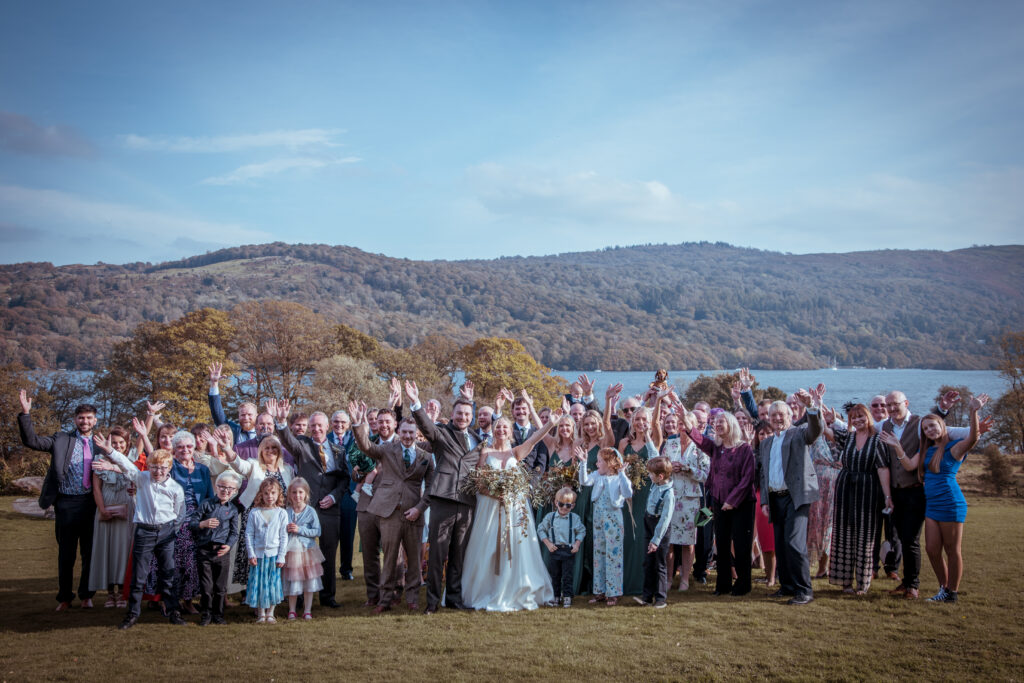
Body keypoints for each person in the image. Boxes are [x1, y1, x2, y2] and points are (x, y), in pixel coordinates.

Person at [890, 394, 988, 603]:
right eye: (925, 429)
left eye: (933, 426)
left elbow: (973, 437)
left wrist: (973, 411)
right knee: (932, 549)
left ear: (942, 426)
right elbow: (908, 465)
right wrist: (896, 446)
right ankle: (943, 588)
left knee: (953, 550)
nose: (929, 430)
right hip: (931, 504)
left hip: (950, 502)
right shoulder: (926, 449)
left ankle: (951, 592)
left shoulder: (955, 448)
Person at [461, 414, 561, 611]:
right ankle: (486, 588)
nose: (501, 430)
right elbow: (479, 482)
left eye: (504, 428)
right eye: (497, 427)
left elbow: (534, 439)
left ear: (510, 432)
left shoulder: (516, 453)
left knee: (516, 547)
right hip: (490, 506)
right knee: (488, 547)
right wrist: (494, 493)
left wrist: (551, 423)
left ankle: (515, 587)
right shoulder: (485, 452)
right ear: (493, 430)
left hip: (515, 508)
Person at [17, 390, 100, 611]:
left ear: (95, 420)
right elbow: (31, 441)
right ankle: (64, 598)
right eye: (81, 417)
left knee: (90, 553)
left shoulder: (101, 444)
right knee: (66, 554)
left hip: (91, 504)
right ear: (75, 419)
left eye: (89, 417)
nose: (85, 421)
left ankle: (86, 596)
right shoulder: (61, 439)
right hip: (66, 504)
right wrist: (26, 414)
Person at [90, 444, 186, 628]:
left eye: (163, 467)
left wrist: (172, 529)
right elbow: (125, 464)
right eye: (154, 467)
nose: (158, 471)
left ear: (169, 467)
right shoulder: (141, 479)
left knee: (168, 574)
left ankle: (173, 611)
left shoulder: (176, 488)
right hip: (144, 532)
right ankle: (133, 614)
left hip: (166, 532)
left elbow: (179, 512)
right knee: (139, 575)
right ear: (148, 467)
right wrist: (109, 451)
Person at [406, 381, 481, 614]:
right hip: (443, 499)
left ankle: (454, 599)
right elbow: (426, 427)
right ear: (452, 414)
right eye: (459, 413)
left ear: (472, 416)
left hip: (467, 501)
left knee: (459, 554)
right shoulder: (441, 434)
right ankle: (432, 602)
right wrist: (416, 403)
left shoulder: (477, 439)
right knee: (438, 554)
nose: (463, 417)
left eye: (467, 414)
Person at [349, 407, 434, 613]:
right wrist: (359, 425)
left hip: (414, 514)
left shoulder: (426, 456)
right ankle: (384, 599)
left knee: (414, 560)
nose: (407, 436)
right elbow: (366, 446)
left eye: (411, 433)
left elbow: (431, 487)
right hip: (389, 513)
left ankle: (413, 598)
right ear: (400, 431)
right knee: (389, 559)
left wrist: (420, 509)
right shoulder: (388, 450)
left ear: (416, 435)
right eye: (404, 432)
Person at [269, 398, 350, 609]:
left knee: (329, 554)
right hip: (303, 508)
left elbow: (343, 479)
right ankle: (296, 595)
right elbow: (287, 439)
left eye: (319, 425)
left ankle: (327, 596)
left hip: (330, 508)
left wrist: (334, 496)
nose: (315, 429)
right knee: (298, 553)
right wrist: (281, 422)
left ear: (327, 427)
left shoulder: (338, 450)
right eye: (312, 425)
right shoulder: (302, 445)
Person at [758, 388, 823, 605]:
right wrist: (765, 501)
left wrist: (813, 407)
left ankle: (804, 590)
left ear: (790, 416)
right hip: (775, 498)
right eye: (773, 415)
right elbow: (764, 474)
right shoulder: (767, 442)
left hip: (796, 496)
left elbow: (815, 431)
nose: (777, 418)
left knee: (795, 544)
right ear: (768, 418)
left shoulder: (798, 433)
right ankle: (786, 586)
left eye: (781, 414)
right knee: (781, 544)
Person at [689, 410, 757, 596]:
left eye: (721, 422)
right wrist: (687, 424)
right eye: (715, 422)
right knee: (722, 545)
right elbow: (700, 440)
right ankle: (723, 585)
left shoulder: (744, 449)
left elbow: (747, 478)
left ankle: (743, 585)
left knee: (742, 545)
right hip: (719, 502)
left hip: (741, 504)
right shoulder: (716, 449)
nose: (717, 425)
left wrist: (732, 501)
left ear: (731, 425)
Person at [827, 404, 893, 595]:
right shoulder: (847, 437)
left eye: (860, 417)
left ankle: (862, 583)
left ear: (868, 417)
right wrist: (814, 405)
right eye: (853, 418)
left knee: (865, 537)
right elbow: (824, 428)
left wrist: (887, 496)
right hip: (846, 487)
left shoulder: (877, 439)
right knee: (843, 534)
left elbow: (882, 468)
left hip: (868, 490)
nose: (857, 421)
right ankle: (844, 581)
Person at [217, 432, 294, 591]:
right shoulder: (254, 465)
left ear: (279, 451)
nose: (270, 451)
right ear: (261, 450)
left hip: (277, 519)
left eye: (274, 448)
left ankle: (272, 591)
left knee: (275, 554)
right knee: (252, 555)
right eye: (267, 448)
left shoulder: (287, 469)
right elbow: (238, 464)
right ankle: (250, 592)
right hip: (254, 516)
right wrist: (226, 448)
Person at [660, 408, 709, 592]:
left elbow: (706, 475)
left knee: (688, 541)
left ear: (693, 427)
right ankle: (668, 578)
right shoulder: (669, 445)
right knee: (670, 540)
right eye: (679, 424)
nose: (681, 428)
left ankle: (685, 579)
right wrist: (669, 468)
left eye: (685, 425)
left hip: (690, 499)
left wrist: (688, 469)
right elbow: (661, 470)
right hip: (671, 496)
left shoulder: (700, 447)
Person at [577, 446, 633, 606]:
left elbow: (628, 493)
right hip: (598, 518)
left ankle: (613, 592)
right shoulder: (597, 476)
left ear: (609, 462)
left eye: (599, 461)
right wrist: (583, 462)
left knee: (613, 554)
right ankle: (600, 590)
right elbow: (584, 481)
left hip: (613, 518)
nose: (597, 464)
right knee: (599, 553)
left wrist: (622, 474)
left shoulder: (619, 477)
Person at [88, 425, 134, 608]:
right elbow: (96, 487)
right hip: (106, 504)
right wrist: (102, 509)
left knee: (123, 549)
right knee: (106, 549)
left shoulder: (130, 459)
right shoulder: (99, 459)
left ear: (127, 443)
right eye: (114, 442)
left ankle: (123, 592)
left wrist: (150, 416)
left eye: (121, 442)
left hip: (126, 505)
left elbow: (141, 439)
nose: (118, 445)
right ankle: (109, 594)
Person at [169, 431, 214, 614]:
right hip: (175, 521)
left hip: (197, 522)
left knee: (192, 564)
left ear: (194, 448)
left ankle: (188, 601)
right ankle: (171, 602)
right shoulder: (170, 467)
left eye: (188, 446)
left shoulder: (202, 469)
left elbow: (209, 496)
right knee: (173, 563)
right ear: (174, 450)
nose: (185, 450)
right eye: (180, 447)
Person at [190, 470, 241, 625]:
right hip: (204, 550)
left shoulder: (232, 509)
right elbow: (192, 523)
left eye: (229, 489)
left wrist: (228, 546)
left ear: (235, 491)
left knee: (220, 586)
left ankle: (218, 615)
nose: (225, 491)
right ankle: (206, 614)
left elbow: (234, 532)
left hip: (221, 552)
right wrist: (203, 524)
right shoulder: (206, 504)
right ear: (216, 487)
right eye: (222, 487)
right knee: (206, 586)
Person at [245, 478, 288, 623]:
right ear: (261, 495)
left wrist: (281, 556)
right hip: (258, 555)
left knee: (273, 583)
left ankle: (271, 612)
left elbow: (283, 536)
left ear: (278, 494)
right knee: (259, 584)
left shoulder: (281, 513)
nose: (270, 496)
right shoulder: (255, 513)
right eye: (266, 493)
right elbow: (249, 534)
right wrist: (251, 553)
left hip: (274, 555)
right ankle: (261, 613)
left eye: (273, 493)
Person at [283, 477, 325, 620]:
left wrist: (299, 529)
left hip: (307, 551)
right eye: (294, 492)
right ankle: (292, 610)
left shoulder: (310, 511)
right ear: (289, 495)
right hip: (291, 552)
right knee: (293, 579)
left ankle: (307, 610)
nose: (297, 496)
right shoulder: (286, 512)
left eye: (300, 492)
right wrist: (286, 529)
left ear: (306, 494)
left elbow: (317, 531)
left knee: (309, 580)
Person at [635, 456, 675, 608]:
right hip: (648, 523)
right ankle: (647, 596)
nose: (649, 476)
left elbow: (665, 520)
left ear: (660, 476)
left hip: (660, 529)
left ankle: (660, 598)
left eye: (651, 474)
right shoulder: (655, 484)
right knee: (648, 562)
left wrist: (656, 540)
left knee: (659, 564)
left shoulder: (668, 494)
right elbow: (653, 453)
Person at [538, 487, 586, 608]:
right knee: (555, 574)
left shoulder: (574, 518)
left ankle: (567, 596)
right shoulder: (550, 517)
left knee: (567, 575)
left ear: (573, 506)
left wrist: (577, 544)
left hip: (568, 550)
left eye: (568, 505)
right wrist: (548, 544)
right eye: (561, 504)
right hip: (555, 549)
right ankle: (556, 596)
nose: (564, 507)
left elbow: (581, 531)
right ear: (556, 503)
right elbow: (541, 529)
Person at [207, 362, 260, 444]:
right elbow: (217, 414)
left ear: (257, 415)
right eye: (243, 415)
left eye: (249, 414)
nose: (246, 418)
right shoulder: (232, 431)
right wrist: (214, 383)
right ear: (238, 416)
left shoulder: (263, 435)